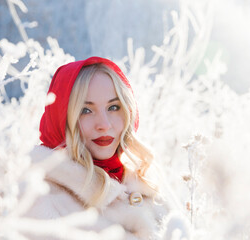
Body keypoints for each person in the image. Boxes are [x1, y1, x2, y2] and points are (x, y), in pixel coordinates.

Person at [26, 57, 189, 240]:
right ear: (61, 117)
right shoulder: (37, 197)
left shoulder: (145, 180)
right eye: (85, 110)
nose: (104, 124)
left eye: (113, 107)